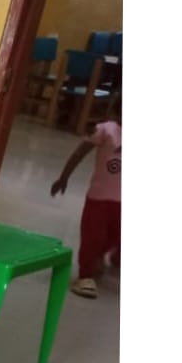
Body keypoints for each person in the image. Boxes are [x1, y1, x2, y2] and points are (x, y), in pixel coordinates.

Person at [51, 103, 121, 298]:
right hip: (100, 198)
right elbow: (79, 153)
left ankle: (108, 257)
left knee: (117, 235)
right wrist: (64, 177)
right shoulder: (105, 130)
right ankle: (85, 275)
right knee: (93, 236)